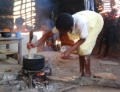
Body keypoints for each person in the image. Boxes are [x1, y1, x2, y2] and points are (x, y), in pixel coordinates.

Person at [27, 10, 104, 77]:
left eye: (62, 31)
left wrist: (69, 50)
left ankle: (87, 74)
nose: (60, 33)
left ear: (70, 28)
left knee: (84, 48)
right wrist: (35, 44)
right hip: (86, 16)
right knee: (80, 49)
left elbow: (83, 39)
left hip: (95, 22)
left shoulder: (81, 24)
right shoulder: (63, 23)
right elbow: (47, 35)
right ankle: (82, 73)